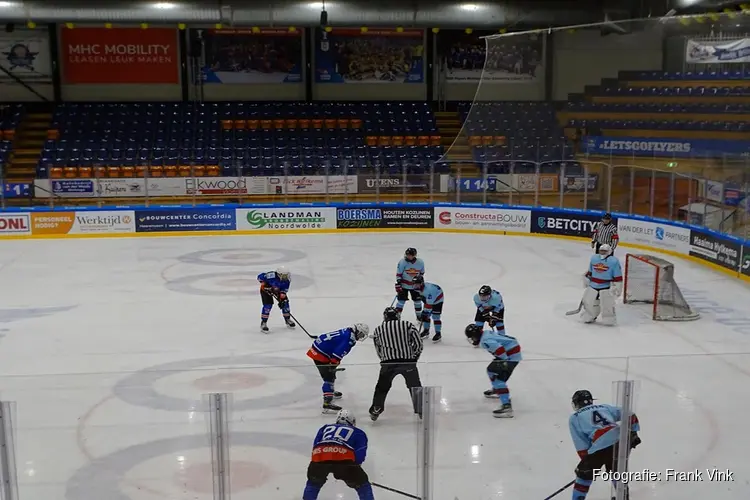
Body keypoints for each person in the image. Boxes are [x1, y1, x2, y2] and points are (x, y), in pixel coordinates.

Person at [569, 390, 641, 500]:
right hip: (620, 442)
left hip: (600, 445)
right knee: (616, 471)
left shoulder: (575, 418)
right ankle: (623, 497)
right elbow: (630, 414)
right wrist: (634, 432)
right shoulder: (604, 407)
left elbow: (581, 444)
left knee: (583, 477)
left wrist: (587, 465)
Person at [303, 409, 374, 500]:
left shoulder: (324, 428)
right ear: (352, 421)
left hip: (320, 455)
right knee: (363, 487)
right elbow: (360, 454)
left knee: (313, 483)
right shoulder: (358, 432)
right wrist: (355, 474)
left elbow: (316, 446)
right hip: (343, 458)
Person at [369, 307, 423, 421]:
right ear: (397, 316)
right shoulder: (407, 325)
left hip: (388, 363)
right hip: (408, 362)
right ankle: (421, 409)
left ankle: (376, 408)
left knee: (382, 387)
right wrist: (414, 357)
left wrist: (384, 359)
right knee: (415, 386)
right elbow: (418, 343)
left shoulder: (378, 329)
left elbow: (378, 349)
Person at [307, 324, 369, 413]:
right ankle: (327, 402)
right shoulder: (349, 339)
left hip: (318, 347)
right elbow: (338, 353)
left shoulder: (347, 331)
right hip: (320, 353)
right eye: (361, 334)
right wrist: (333, 364)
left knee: (329, 374)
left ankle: (330, 390)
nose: (361, 337)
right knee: (329, 376)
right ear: (357, 331)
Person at [465, 324, 521, 418]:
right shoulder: (486, 333)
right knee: (491, 371)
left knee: (498, 377)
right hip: (511, 351)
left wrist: (504, 361)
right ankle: (497, 389)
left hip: (510, 356)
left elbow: (499, 349)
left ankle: (507, 406)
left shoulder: (485, 340)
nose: (473, 340)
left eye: (473, 337)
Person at [581, 244, 623, 325]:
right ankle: (590, 315)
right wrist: (586, 278)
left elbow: (618, 276)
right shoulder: (594, 258)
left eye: (605, 251)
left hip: (606, 286)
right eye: (601, 251)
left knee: (607, 305)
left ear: (609, 252)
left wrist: (617, 287)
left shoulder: (614, 261)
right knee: (589, 302)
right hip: (593, 285)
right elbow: (590, 271)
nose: (603, 253)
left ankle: (609, 319)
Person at [257, 265, 294, 332]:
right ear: (278, 274)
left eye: (286, 275)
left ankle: (287, 319)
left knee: (285, 303)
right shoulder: (271, 275)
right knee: (268, 306)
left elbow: (284, 291)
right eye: (284, 275)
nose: (285, 277)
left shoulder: (287, 280)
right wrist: (264, 284)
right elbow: (260, 277)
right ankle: (264, 322)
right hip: (266, 291)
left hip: (277, 290)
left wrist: (282, 298)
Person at [411, 275, 444, 343]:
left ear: (422, 284)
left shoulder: (429, 291)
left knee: (436, 316)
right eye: (414, 285)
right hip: (428, 299)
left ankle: (438, 333)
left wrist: (425, 312)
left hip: (438, 299)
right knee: (426, 316)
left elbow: (429, 304)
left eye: (417, 285)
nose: (415, 286)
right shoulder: (419, 289)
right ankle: (426, 330)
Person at [395, 247, 425, 320]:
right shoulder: (402, 262)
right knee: (401, 301)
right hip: (404, 285)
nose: (409, 256)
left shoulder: (420, 262)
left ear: (414, 255)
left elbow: (422, 273)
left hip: (415, 285)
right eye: (407, 255)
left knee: (417, 301)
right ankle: (396, 316)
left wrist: (420, 280)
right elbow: (399, 274)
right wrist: (399, 282)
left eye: (410, 255)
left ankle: (419, 316)